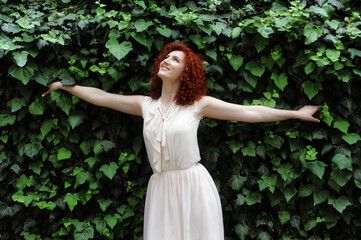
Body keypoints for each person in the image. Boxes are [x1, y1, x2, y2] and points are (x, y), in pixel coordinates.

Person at [43, 42, 319, 240]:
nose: (167, 61)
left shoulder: (198, 105)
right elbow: (102, 97)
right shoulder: (144, 104)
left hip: (193, 185)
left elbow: (249, 112)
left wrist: (294, 113)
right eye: (166, 57)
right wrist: (66, 86)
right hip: (161, 187)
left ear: (186, 73)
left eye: (176, 60)